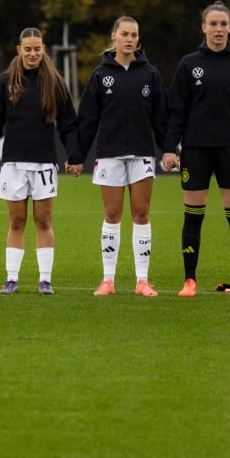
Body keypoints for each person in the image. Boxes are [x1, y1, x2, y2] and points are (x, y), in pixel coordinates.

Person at [161, 1, 230, 297]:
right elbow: (177, 111)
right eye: (213, 24)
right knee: (193, 216)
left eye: (223, 24)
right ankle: (189, 281)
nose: (218, 29)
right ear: (203, 27)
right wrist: (169, 149)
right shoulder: (189, 64)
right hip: (195, 149)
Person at [0, 28, 82, 295]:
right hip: (13, 163)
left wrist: (75, 155)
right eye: (28, 49)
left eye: (37, 49)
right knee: (16, 221)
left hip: (44, 162)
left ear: (43, 49)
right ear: (19, 50)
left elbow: (68, 124)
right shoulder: (5, 81)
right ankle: (11, 279)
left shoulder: (55, 82)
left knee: (43, 221)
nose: (33, 53)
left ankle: (45, 280)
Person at [71, 17, 169, 297]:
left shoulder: (150, 74)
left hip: (142, 154)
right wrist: (77, 156)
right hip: (110, 155)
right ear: (113, 35)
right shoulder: (100, 75)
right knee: (112, 214)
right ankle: (108, 280)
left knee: (141, 213)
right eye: (124, 34)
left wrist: (169, 149)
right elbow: (87, 119)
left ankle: (142, 281)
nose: (129, 39)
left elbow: (161, 118)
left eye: (134, 35)